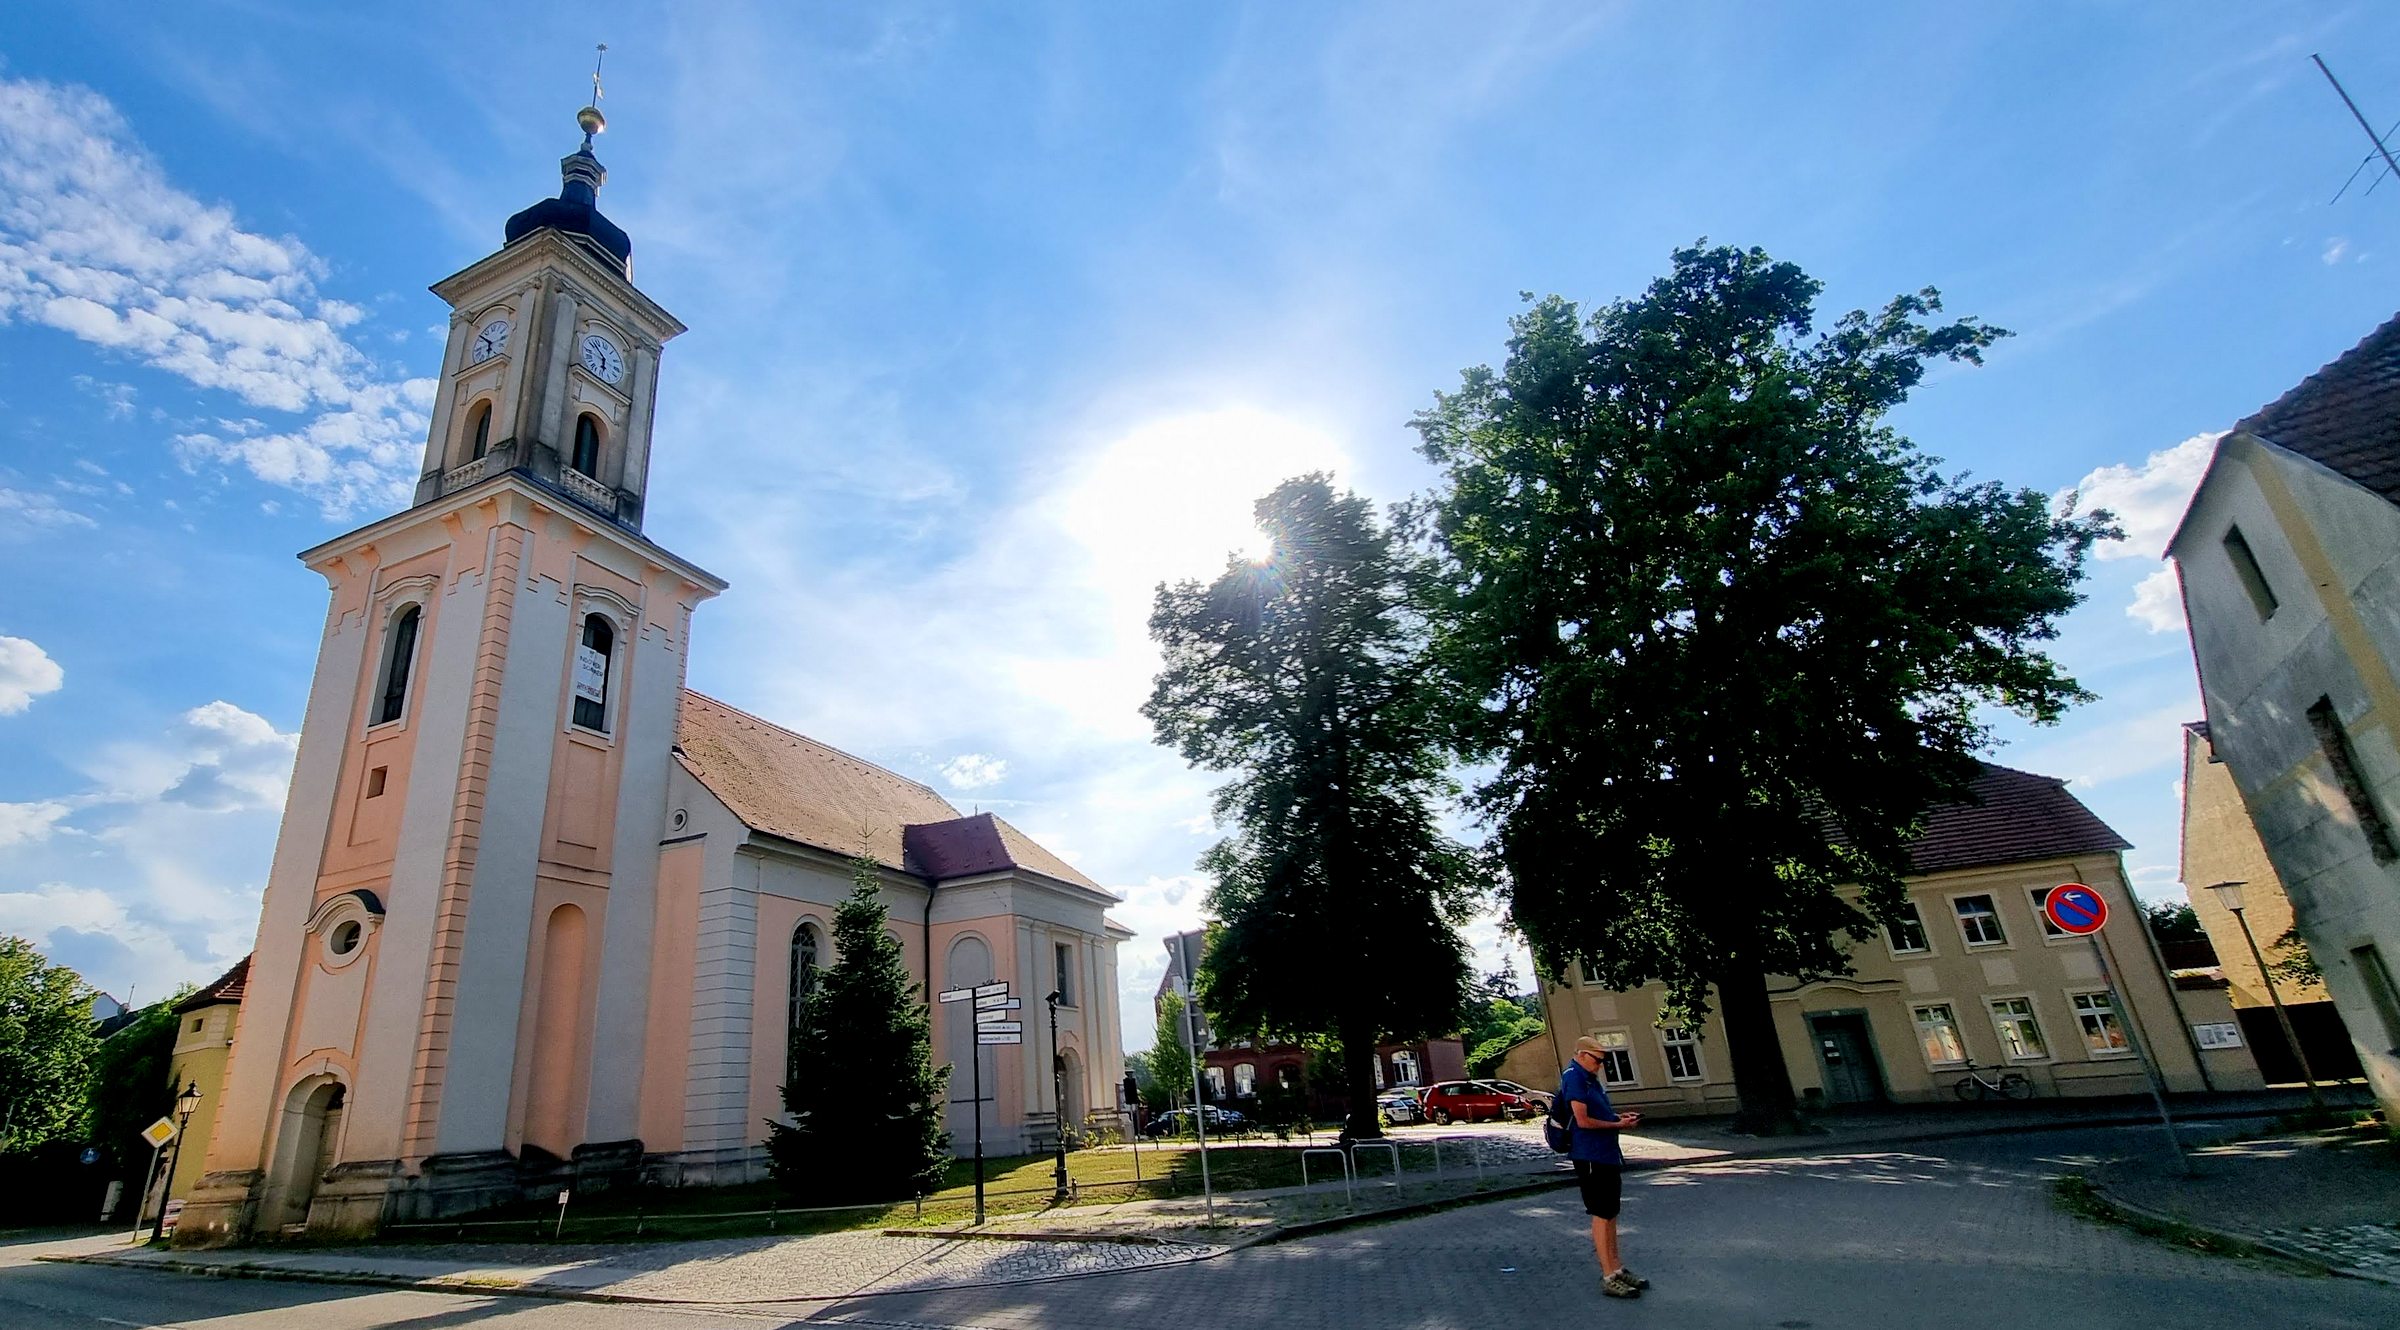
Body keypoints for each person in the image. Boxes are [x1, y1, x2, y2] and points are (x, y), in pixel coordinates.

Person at [1560, 1034, 1646, 1298]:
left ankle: (1617, 1268)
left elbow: (1599, 1114)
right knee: (1600, 1213)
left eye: (1602, 1061)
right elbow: (1583, 1121)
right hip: (1589, 1156)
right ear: (1582, 1055)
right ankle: (1608, 1275)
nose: (1600, 1065)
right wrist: (1618, 1125)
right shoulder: (1573, 1077)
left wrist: (1618, 1117)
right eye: (1597, 1060)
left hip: (1605, 1154)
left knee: (1610, 1211)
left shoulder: (1590, 1079)